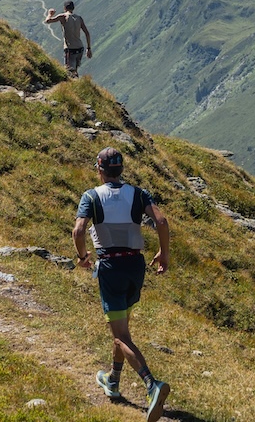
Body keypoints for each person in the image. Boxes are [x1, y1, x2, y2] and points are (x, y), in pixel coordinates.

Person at [73, 147, 171, 422]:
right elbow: (161, 221)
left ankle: (152, 386)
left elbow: (79, 230)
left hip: (111, 267)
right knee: (122, 328)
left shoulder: (91, 196)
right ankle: (113, 381)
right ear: (122, 170)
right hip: (135, 266)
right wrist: (164, 253)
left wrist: (82, 257)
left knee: (120, 336)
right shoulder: (138, 194)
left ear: (99, 170)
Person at [44, 0, 92, 77]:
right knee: (75, 71)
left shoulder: (63, 17)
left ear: (64, 8)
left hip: (70, 49)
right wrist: (88, 48)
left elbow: (47, 21)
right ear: (73, 8)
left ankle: (72, 86)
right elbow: (87, 33)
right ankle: (79, 85)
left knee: (69, 72)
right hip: (80, 48)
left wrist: (50, 14)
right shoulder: (79, 18)